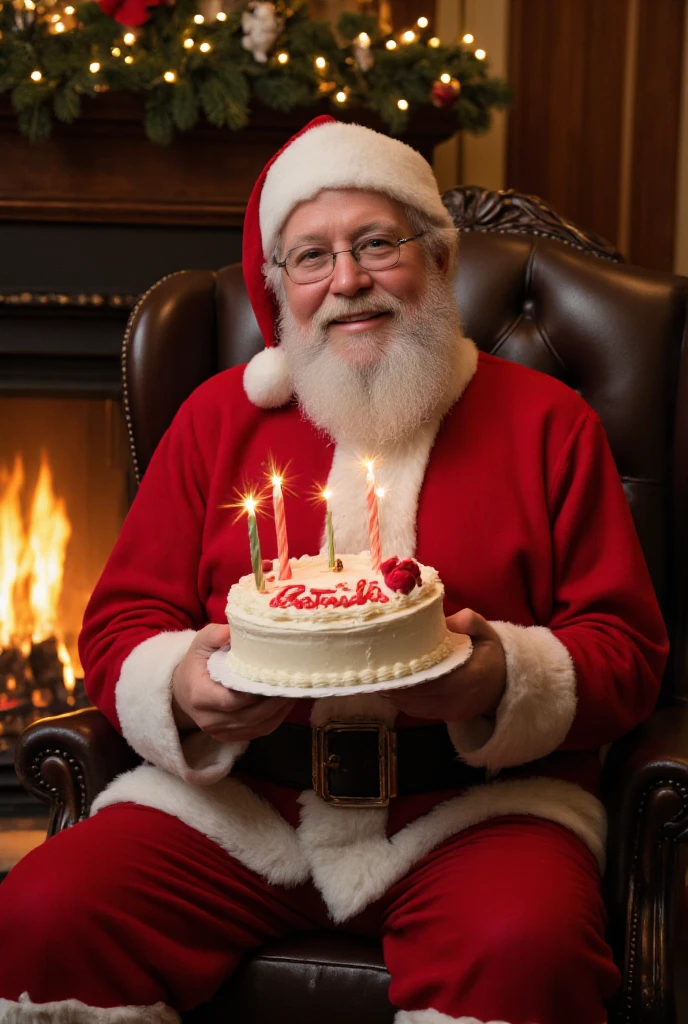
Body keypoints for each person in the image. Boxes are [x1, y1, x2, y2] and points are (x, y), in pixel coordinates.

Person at [0, 116, 668, 1024]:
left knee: (527, 950)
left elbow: (625, 650)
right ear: (279, 289)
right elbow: (120, 629)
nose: (345, 281)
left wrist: (497, 679)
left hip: (475, 810)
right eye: (310, 258)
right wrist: (186, 687)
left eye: (376, 245)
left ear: (436, 260)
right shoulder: (214, 421)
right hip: (238, 809)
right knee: (41, 914)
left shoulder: (549, 424)